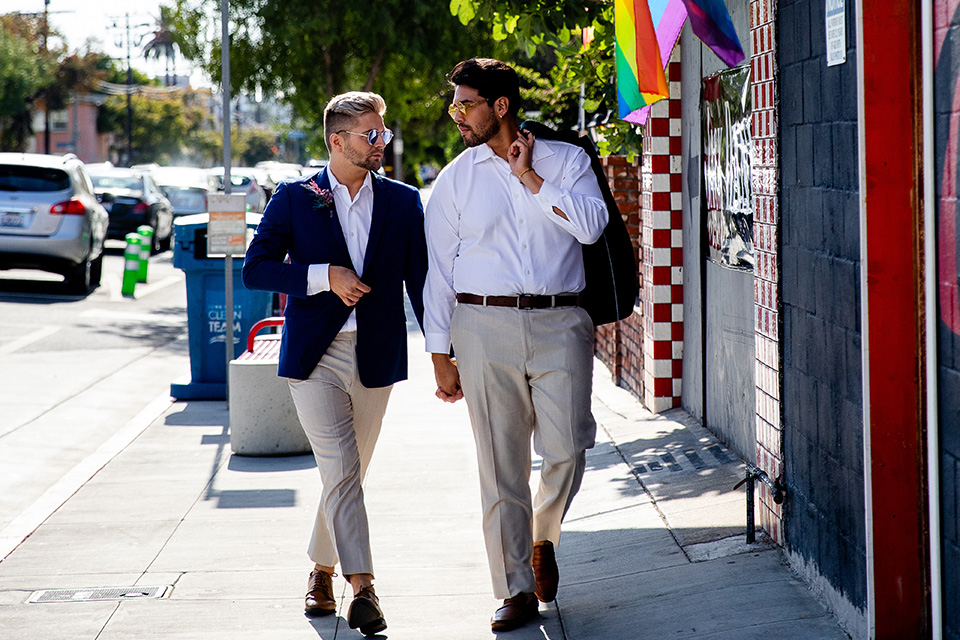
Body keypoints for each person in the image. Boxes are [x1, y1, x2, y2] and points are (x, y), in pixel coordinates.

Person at [423, 58, 608, 632]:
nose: (456, 114)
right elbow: (439, 272)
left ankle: (542, 537)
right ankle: (515, 590)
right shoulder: (456, 177)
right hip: (483, 327)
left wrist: (531, 178)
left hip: (561, 323)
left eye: (465, 103)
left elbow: (591, 226)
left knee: (568, 451)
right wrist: (439, 352)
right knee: (500, 466)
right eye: (454, 104)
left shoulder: (567, 160)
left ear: (499, 106)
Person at [242, 91, 427, 637]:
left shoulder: (402, 201)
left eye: (382, 132)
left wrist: (445, 352)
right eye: (371, 134)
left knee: (346, 473)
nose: (381, 142)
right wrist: (325, 275)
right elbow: (257, 269)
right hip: (313, 356)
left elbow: (421, 281)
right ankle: (363, 588)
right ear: (337, 141)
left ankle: (320, 570)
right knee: (343, 467)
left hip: (376, 354)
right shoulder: (297, 197)